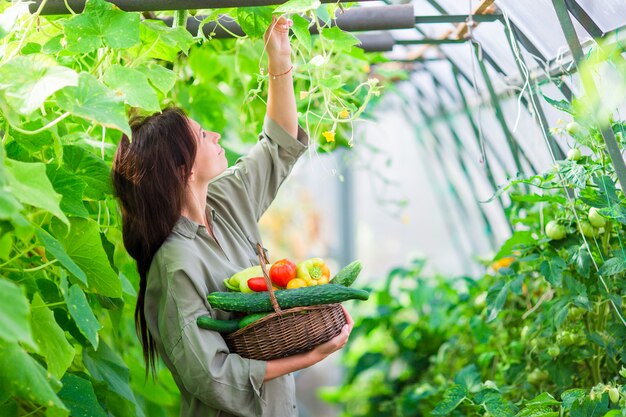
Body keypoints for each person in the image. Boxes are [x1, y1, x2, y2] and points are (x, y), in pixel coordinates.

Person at [112, 16, 354, 417]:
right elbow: (214, 376)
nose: (217, 136)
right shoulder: (176, 264)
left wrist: (280, 59)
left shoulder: (222, 204)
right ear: (182, 170)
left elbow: (277, 144)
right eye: (204, 136)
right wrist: (313, 355)